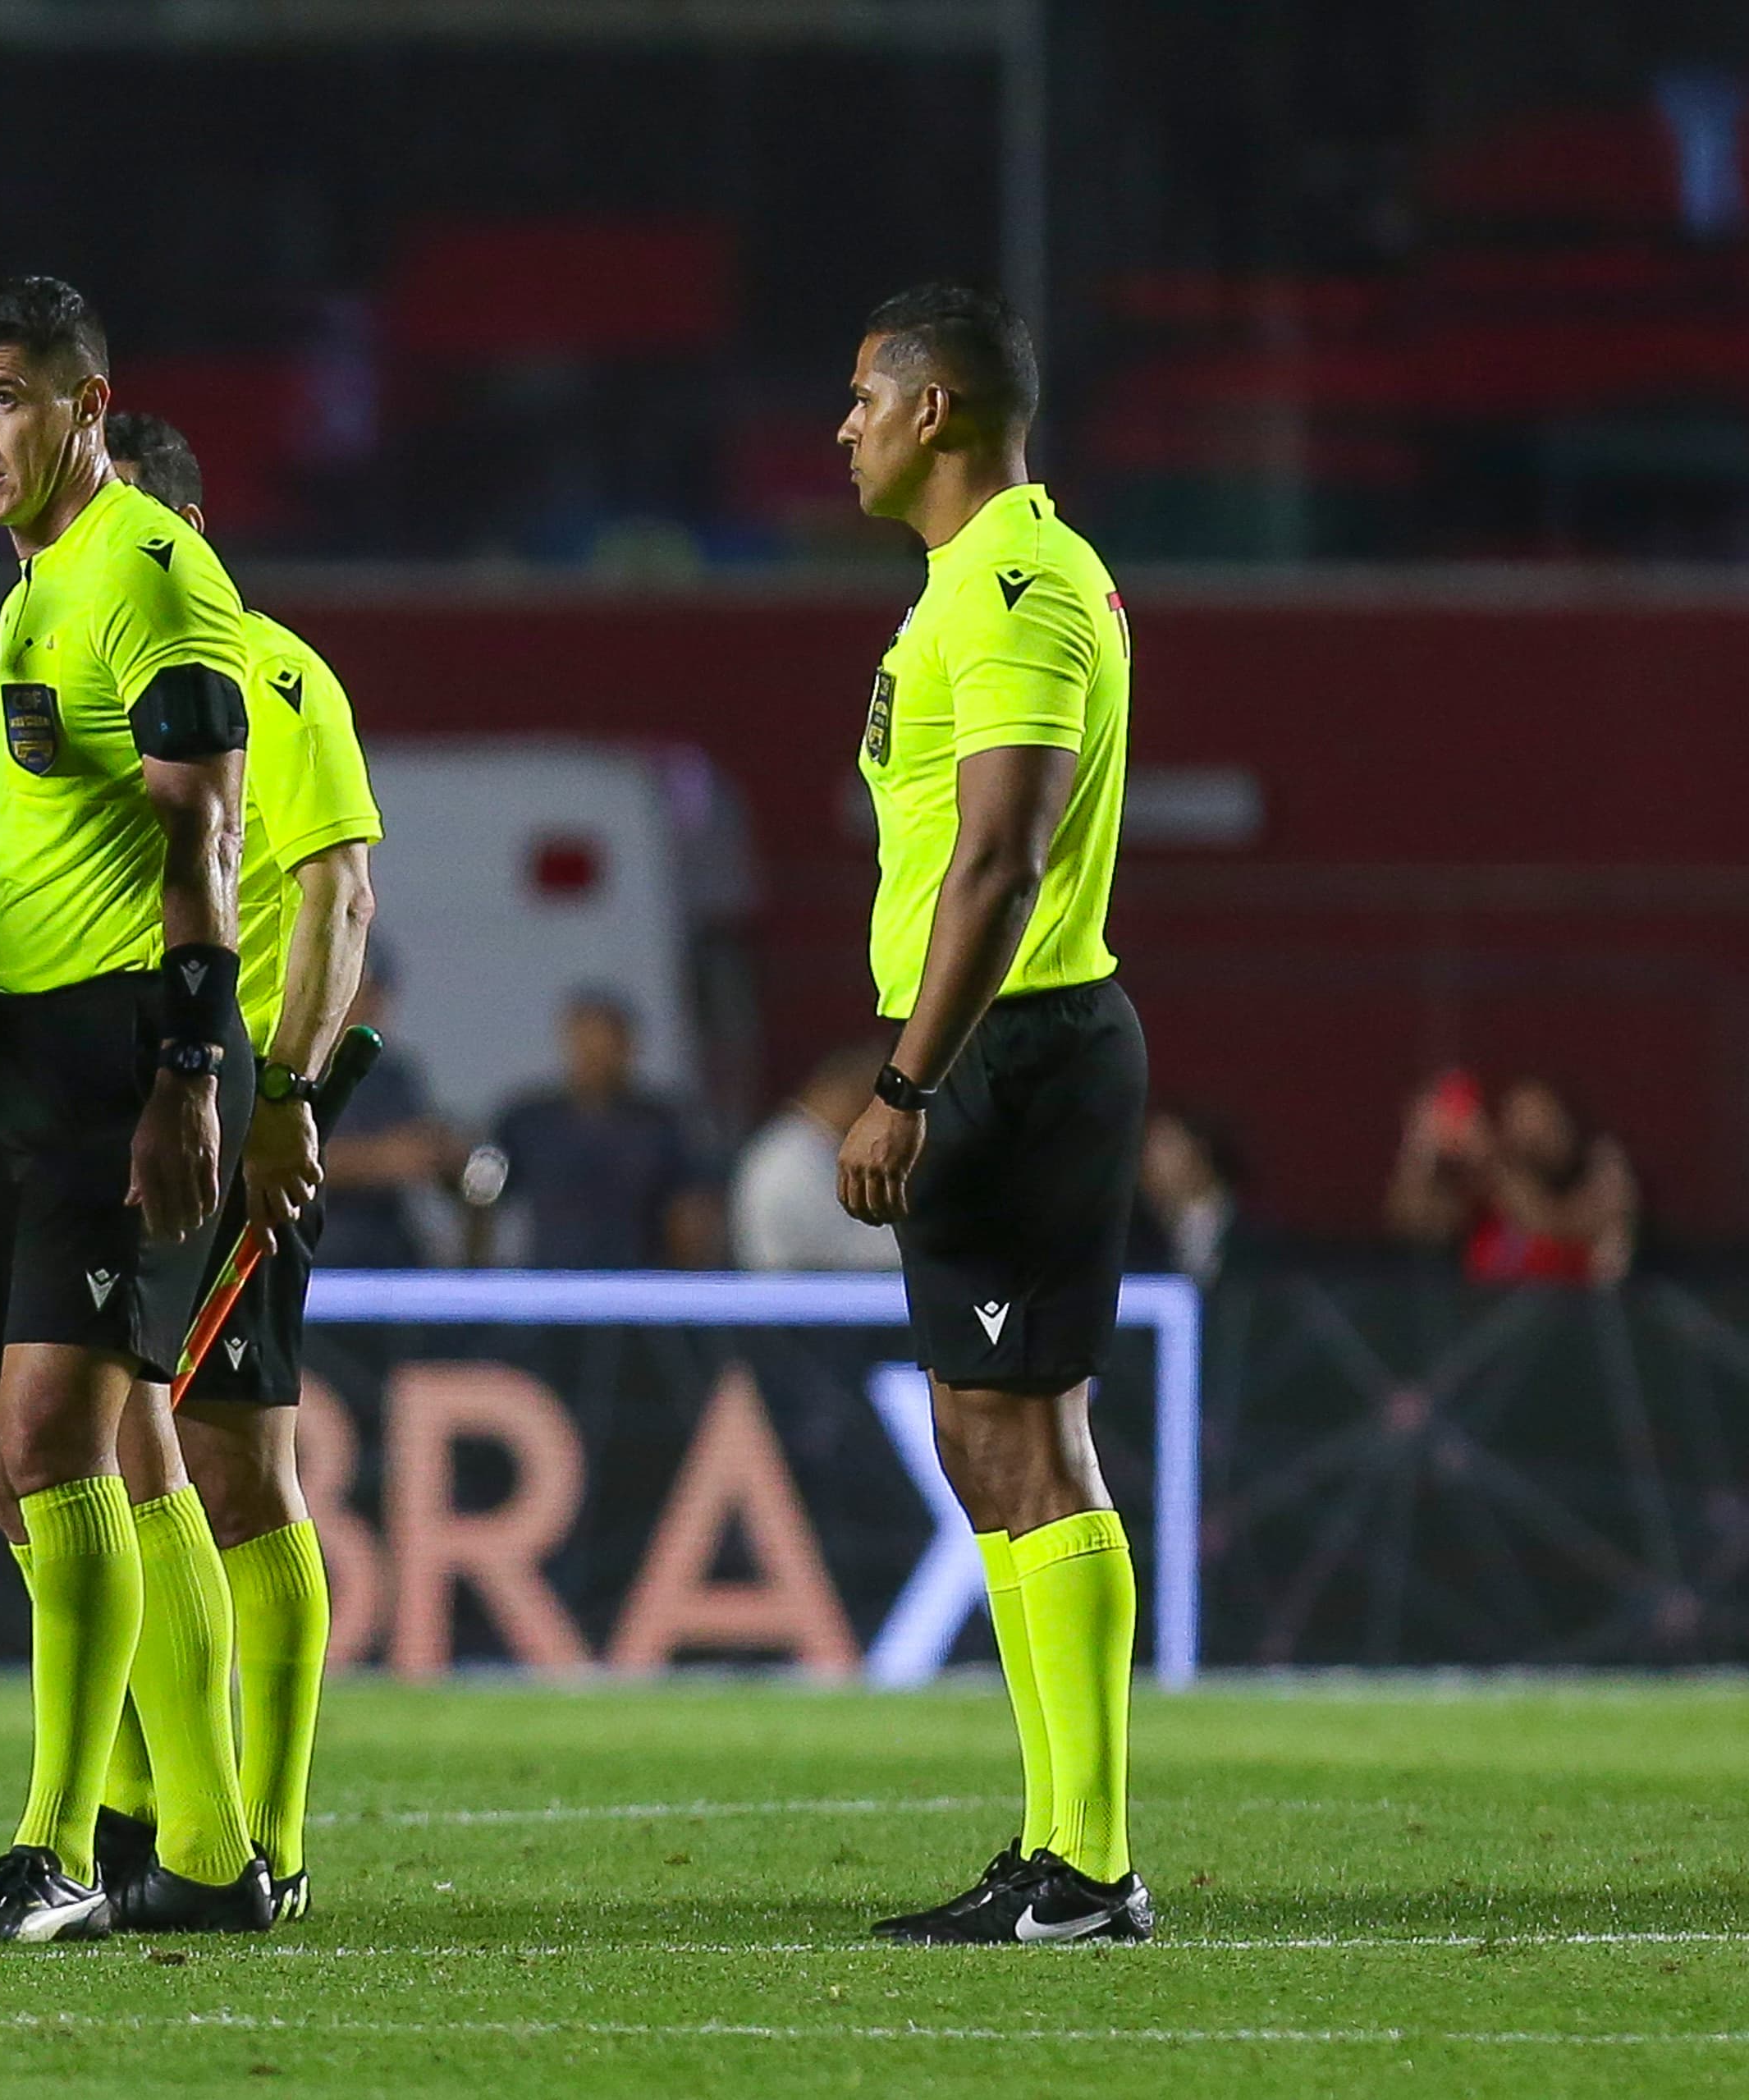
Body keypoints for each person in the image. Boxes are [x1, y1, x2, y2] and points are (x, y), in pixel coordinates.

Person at [0, 277, 259, 1942]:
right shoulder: (37, 581)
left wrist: (193, 1076)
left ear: (87, 405)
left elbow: (208, 833)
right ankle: (204, 1846)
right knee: (89, 1464)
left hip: (133, 1056)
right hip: (50, 1064)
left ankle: (62, 1851)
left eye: (4, 399)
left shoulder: (148, 575)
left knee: (44, 1449)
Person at [830, 283, 1151, 1944]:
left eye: (865, 401)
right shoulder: (975, 583)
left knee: (1031, 1438)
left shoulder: (1016, 584)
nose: (845, 429)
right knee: (982, 1436)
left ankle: (1089, 1861)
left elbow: (1005, 858)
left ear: (935, 412)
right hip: (988, 1050)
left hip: (1012, 1053)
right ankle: (1054, 1842)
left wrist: (908, 1082)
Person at [87, 410, 381, 1924]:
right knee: (113, 1457)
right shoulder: (95, 672)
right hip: (121, 1118)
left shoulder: (273, 673)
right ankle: (146, 1813)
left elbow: (341, 890)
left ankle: (254, 1828)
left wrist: (288, 1094)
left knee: (228, 1468)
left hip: (224, 1127)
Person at [486, 988, 721, 1269]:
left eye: (605, 1044)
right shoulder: (528, 1121)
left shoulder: (664, 1124)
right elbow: (481, 1196)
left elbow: (691, 1211)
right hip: (551, 1283)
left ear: (628, 1046)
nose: (594, 1056)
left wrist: (687, 1282)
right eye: (585, 1044)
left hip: (639, 1283)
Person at [1386, 1072, 1635, 1286]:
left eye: (1544, 1119)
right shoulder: (1493, 1192)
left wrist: (1488, 1158)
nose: (1532, 1133)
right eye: (1520, 1117)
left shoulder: (1602, 1177)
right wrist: (1421, 1149)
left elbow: (1550, 1226)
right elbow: (1412, 1221)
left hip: (1567, 1327)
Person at [313, 947, 458, 1271]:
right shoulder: (293, 1066)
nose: (367, 1007)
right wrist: (378, 1160)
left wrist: (446, 1154)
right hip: (314, 1248)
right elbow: (276, 1157)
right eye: (356, 994)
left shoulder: (394, 1075)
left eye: (375, 995)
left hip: (386, 1251)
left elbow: (422, 1148)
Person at [730, 1042, 901, 1272]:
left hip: (818, 1287)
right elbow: (851, 1255)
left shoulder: (815, 1147)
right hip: (797, 1294)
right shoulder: (791, 1159)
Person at [1128, 1105, 1254, 1286]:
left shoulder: (1257, 1241)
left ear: (1202, 1151)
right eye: (1144, 1148)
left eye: (1165, 1145)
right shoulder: (1132, 1240)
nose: (1148, 1160)